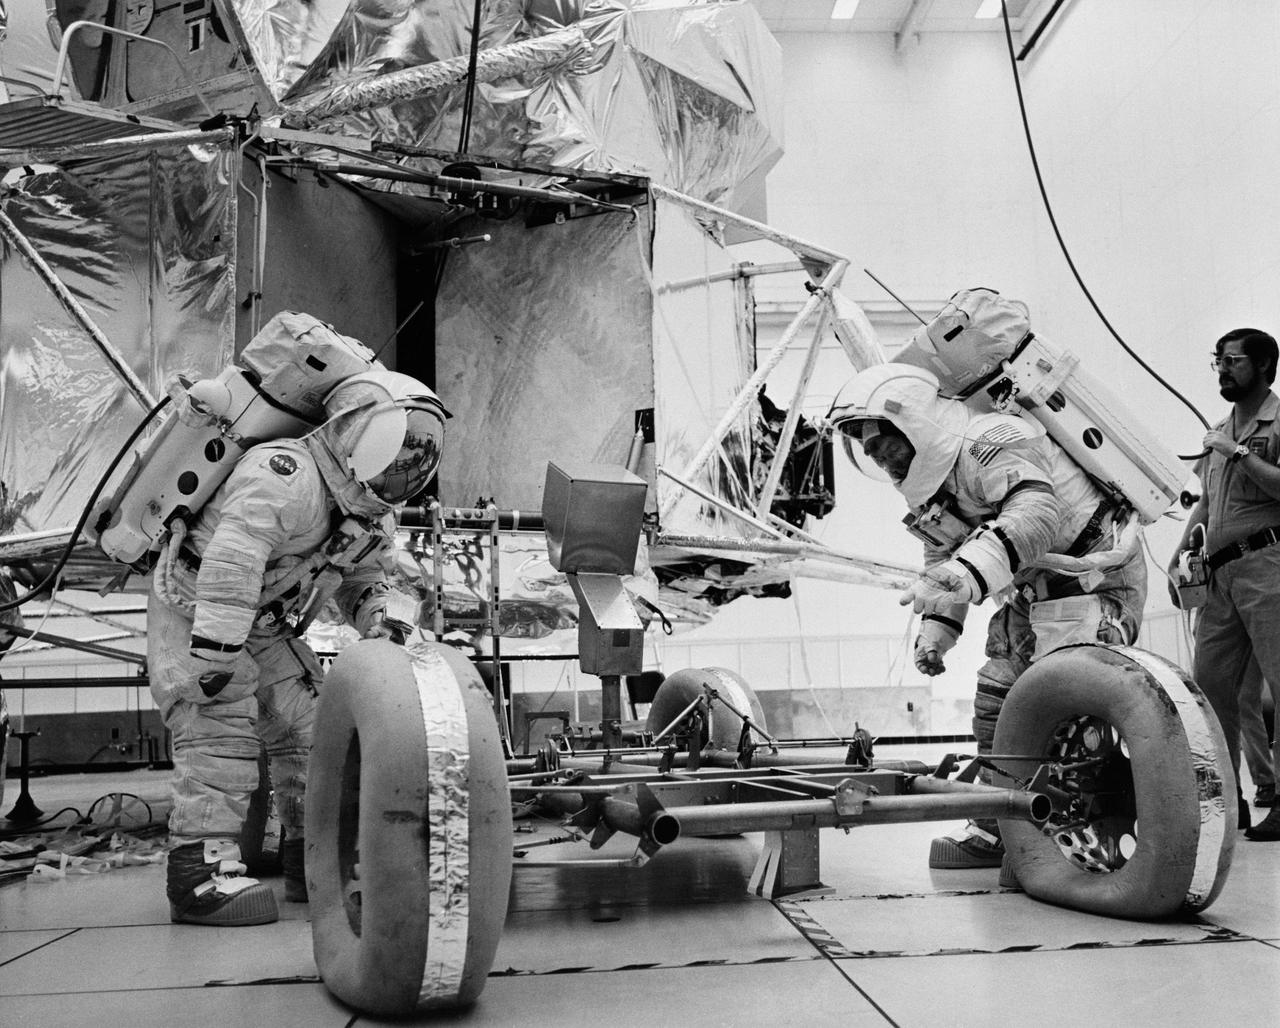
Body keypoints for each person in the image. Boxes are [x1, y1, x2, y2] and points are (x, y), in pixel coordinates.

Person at [148, 369, 449, 925]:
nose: (407, 464)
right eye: (401, 445)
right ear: (360, 431)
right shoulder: (286, 475)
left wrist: (381, 620)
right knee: (219, 727)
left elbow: (361, 581)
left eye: (419, 452)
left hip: (257, 621)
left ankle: (310, 855)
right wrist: (215, 651)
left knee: (308, 725)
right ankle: (197, 874)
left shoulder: (362, 508)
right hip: (196, 608)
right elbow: (234, 556)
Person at [830, 363, 1147, 868]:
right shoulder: (935, 484)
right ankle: (1000, 822)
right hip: (1031, 595)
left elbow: (1036, 514)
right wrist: (936, 633)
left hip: (1094, 580)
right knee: (998, 701)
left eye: (884, 442)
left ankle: (1075, 831)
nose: (879, 457)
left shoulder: (993, 437)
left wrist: (969, 572)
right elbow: (942, 559)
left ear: (915, 423)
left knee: (1066, 706)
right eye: (868, 451)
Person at [1168, 327, 1280, 842]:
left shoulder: (1272, 423)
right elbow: (1208, 503)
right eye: (1218, 360)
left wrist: (1237, 451)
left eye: (1232, 361)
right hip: (1220, 574)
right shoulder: (1220, 429)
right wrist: (1179, 553)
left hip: (1267, 567)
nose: (1221, 370)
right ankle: (1224, 801)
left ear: (1262, 366)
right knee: (1209, 690)